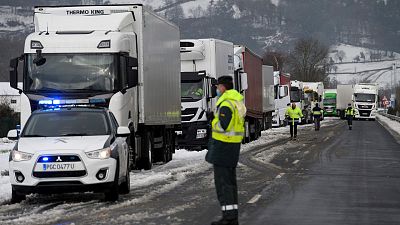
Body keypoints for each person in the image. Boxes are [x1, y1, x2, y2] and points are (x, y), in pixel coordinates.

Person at [206, 76, 246, 225]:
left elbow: (223, 125)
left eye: (218, 87)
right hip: (232, 147)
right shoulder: (236, 100)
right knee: (230, 182)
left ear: (223, 87)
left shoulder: (226, 103)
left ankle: (228, 218)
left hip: (223, 146)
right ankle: (232, 216)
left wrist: (212, 120)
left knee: (223, 183)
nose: (217, 90)